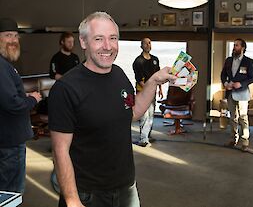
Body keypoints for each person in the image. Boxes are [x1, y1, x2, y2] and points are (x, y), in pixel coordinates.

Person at [48, 12, 176, 207]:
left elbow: (131, 112)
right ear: (83, 42)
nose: (107, 46)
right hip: (87, 193)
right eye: (98, 39)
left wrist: (154, 80)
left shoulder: (119, 75)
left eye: (113, 38)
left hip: (126, 188)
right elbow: (60, 151)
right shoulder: (66, 88)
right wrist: (72, 200)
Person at [0, 18, 42, 193]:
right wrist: (33, 99)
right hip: (9, 142)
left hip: (7, 139)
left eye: (16, 36)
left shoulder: (6, 65)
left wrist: (20, 95)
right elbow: (12, 104)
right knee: (11, 193)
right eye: (8, 35)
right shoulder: (1, 67)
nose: (13, 40)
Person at [221, 38, 253, 152]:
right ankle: (233, 139)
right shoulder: (228, 60)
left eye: (236, 45)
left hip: (242, 93)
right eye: (234, 45)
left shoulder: (248, 61)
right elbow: (223, 75)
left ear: (242, 48)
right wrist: (225, 83)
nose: (234, 47)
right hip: (230, 92)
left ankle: (245, 142)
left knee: (243, 118)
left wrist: (241, 84)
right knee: (232, 118)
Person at [132, 38, 163, 147]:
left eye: (150, 43)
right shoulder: (138, 61)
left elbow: (158, 76)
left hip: (153, 91)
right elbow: (139, 79)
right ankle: (143, 139)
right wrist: (147, 90)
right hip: (142, 91)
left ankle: (147, 135)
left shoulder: (155, 59)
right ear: (141, 46)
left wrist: (160, 89)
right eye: (146, 43)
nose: (148, 45)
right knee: (144, 115)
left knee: (151, 114)